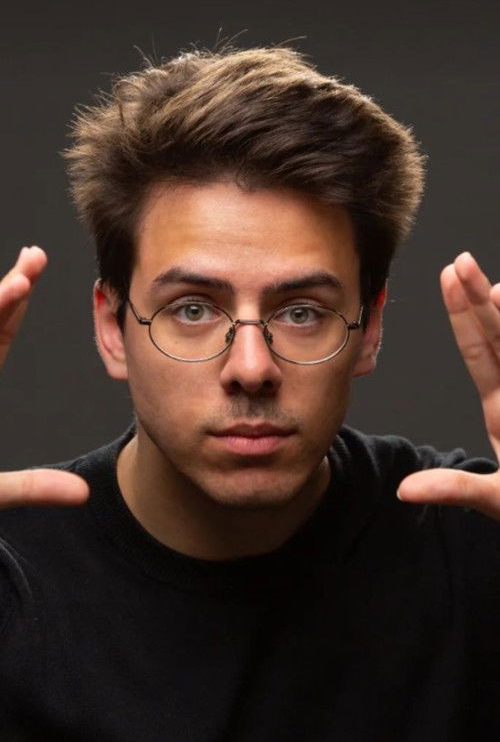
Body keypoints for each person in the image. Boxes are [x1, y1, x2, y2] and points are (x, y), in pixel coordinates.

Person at [0, 45, 499, 741]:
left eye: (301, 311)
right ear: (113, 329)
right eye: (192, 308)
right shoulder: (14, 583)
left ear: (370, 329)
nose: (252, 367)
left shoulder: (477, 548)